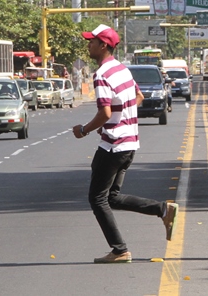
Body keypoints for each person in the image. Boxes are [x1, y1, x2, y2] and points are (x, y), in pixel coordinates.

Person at [72, 23, 178, 264]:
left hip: (112, 145)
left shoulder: (101, 74)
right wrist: (120, 118)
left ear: (103, 45)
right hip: (129, 143)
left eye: (92, 41)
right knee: (112, 197)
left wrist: (84, 130)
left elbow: (105, 111)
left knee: (97, 199)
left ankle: (119, 250)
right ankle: (162, 209)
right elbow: (137, 97)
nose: (88, 45)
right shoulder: (123, 70)